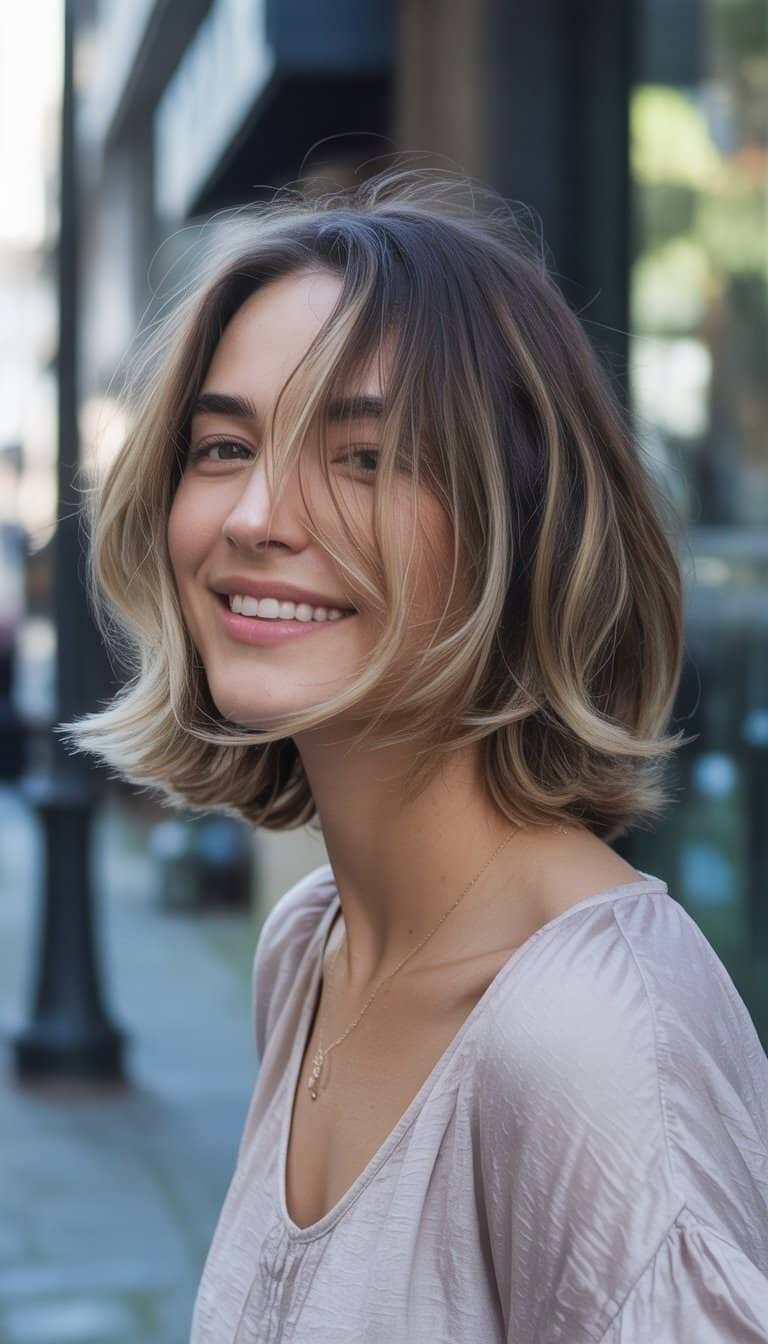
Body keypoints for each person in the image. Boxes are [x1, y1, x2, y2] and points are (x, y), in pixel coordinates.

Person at [58, 168, 768, 1342]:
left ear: (519, 524)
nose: (256, 516)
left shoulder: (590, 1032)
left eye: (365, 458)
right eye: (224, 445)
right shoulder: (310, 947)